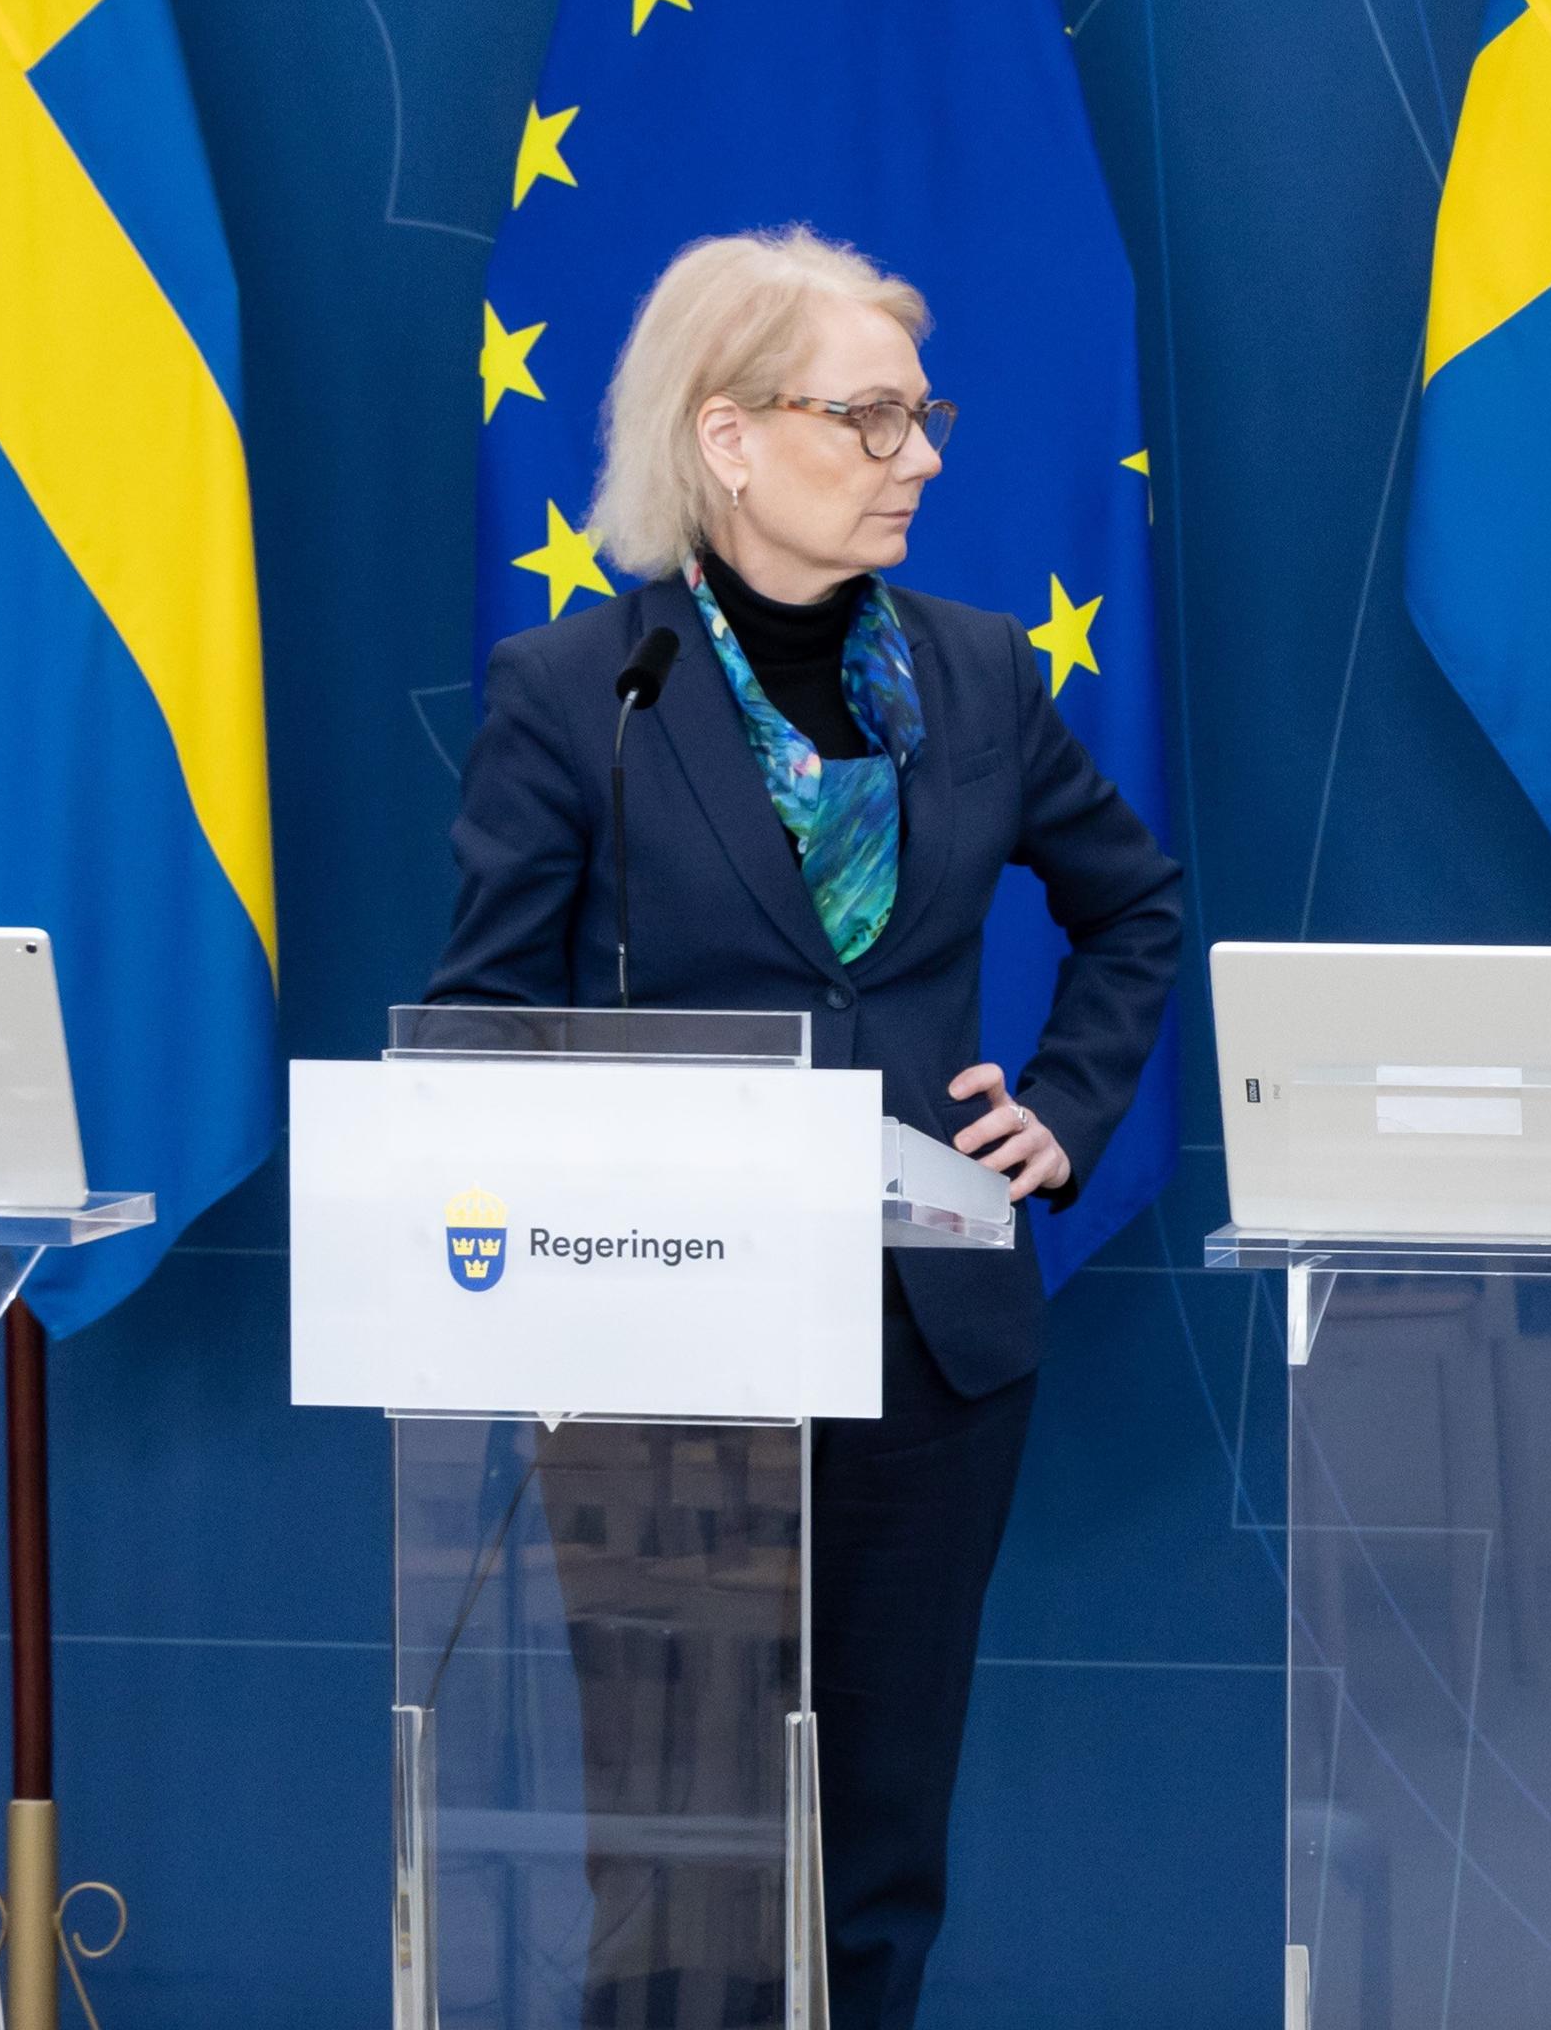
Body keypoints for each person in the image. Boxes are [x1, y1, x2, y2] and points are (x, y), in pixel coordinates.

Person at [430, 227, 1183, 2026]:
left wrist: (1063, 1107)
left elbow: (1132, 907)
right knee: (682, 1867)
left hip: (931, 1349)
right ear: (728, 440)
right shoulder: (585, 693)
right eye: (868, 417)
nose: (918, 454)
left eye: (920, 417)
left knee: (876, 1855)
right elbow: (478, 1013)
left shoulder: (983, 674)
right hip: (663, 1357)